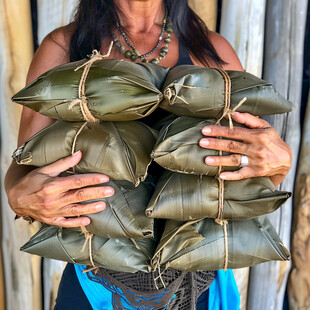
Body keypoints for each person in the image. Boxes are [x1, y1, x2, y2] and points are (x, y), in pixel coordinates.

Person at [5, 0, 292, 309]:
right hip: (95, 287)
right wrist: (18, 197)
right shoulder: (65, 47)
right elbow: (23, 168)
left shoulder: (212, 52)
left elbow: (255, 170)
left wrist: (279, 163)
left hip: (199, 291)